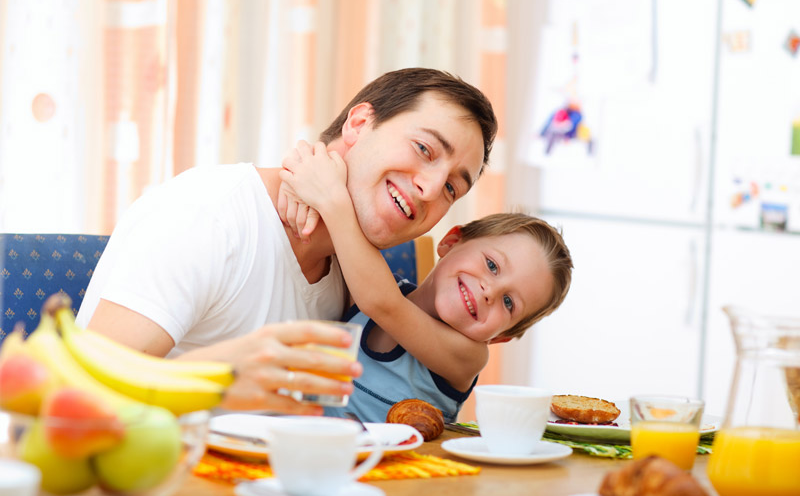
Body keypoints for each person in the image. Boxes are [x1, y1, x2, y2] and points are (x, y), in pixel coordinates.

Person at [75, 68, 498, 413]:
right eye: (424, 149)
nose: (429, 189)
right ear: (359, 123)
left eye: (451, 190)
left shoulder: (353, 270)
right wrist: (218, 377)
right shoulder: (208, 215)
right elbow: (84, 391)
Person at [278, 141, 573, 422]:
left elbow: (384, 304)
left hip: (401, 472)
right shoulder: (363, 288)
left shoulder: (468, 357)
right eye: (492, 265)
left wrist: (330, 198)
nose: (490, 291)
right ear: (451, 241)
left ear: (500, 337)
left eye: (509, 302)